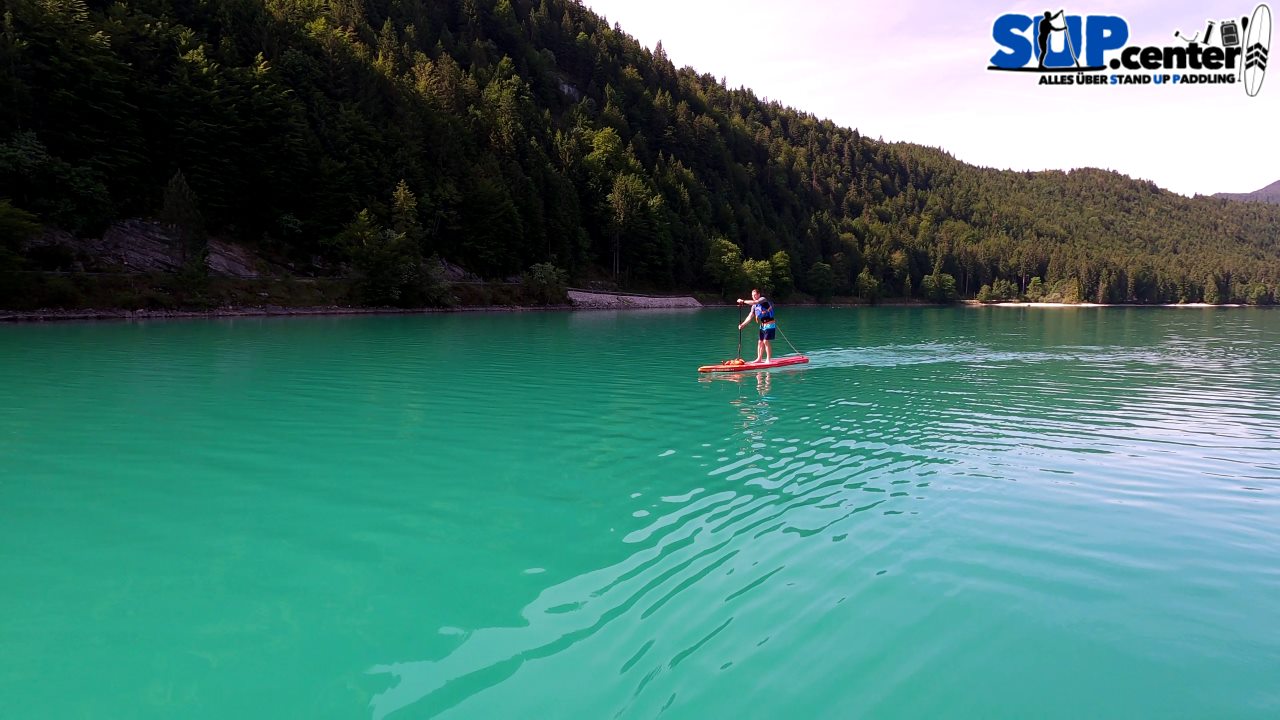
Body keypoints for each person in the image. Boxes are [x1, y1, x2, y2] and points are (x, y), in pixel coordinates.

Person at [737, 289, 777, 363]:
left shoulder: (763, 299)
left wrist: (743, 301)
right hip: (762, 325)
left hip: (770, 324)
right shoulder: (754, 306)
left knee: (765, 341)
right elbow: (750, 316)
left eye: (755, 295)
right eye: (752, 295)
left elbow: (756, 302)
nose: (754, 297)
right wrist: (743, 324)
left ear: (759, 294)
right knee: (760, 342)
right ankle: (759, 359)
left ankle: (768, 359)